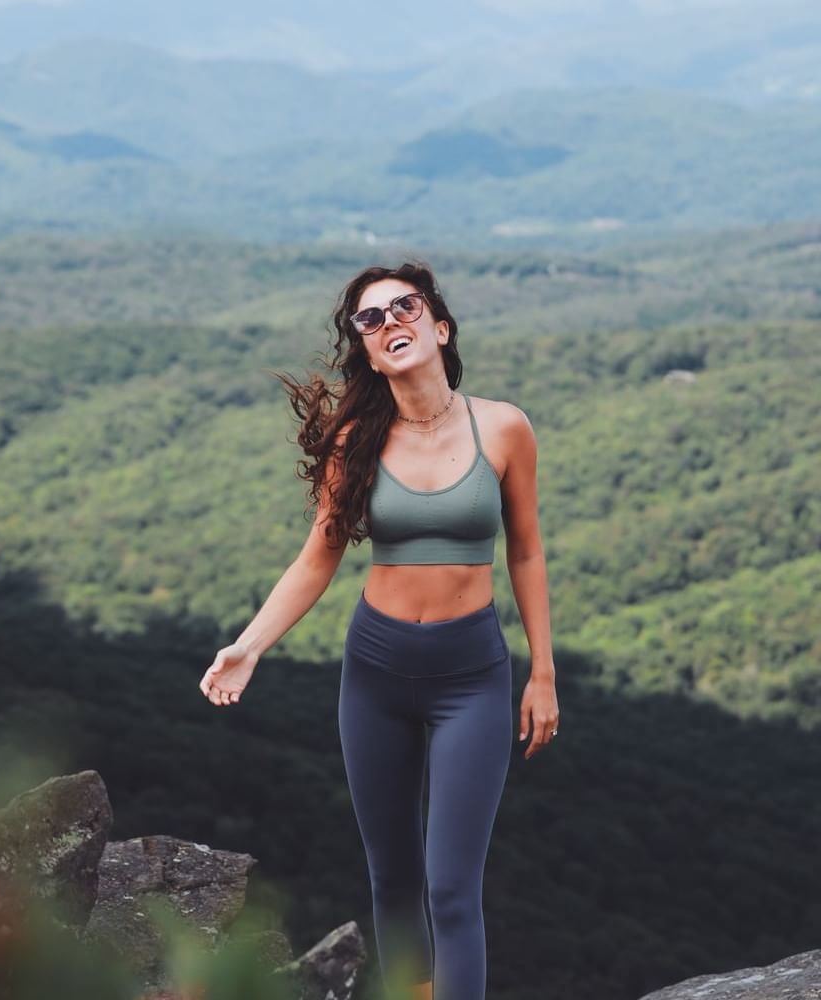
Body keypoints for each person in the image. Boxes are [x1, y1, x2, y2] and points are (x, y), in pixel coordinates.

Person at [198, 260, 560, 1000]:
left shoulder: (504, 428)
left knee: (451, 887)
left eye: (405, 307)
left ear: (439, 326)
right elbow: (318, 556)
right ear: (365, 349)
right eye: (370, 318)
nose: (390, 321)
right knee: (392, 876)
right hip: (375, 672)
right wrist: (250, 644)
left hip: (471, 677)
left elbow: (525, 548)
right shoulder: (357, 439)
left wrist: (543, 673)